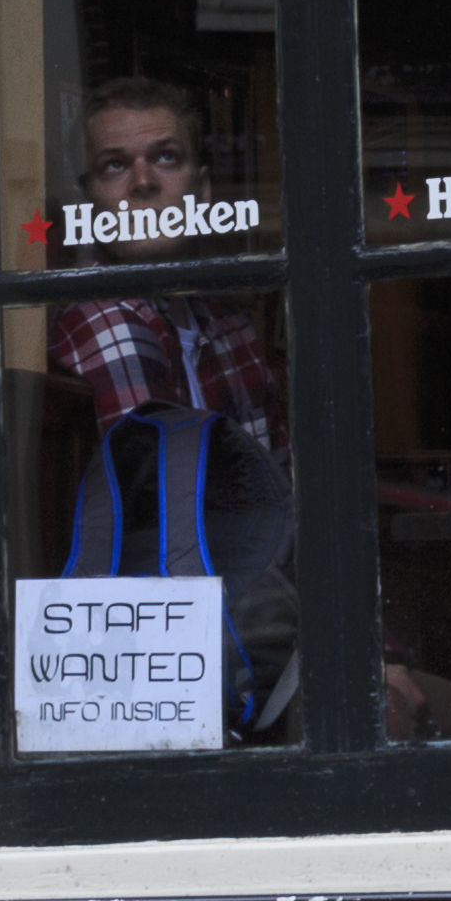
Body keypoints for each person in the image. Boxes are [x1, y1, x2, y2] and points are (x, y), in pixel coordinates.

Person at [49, 79, 298, 739]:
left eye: (165, 157)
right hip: (159, 660)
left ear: (203, 188)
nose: (142, 182)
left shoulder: (226, 325)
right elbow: (165, 540)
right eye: (114, 166)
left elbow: (277, 501)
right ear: (90, 201)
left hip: (250, 628)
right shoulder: (101, 319)